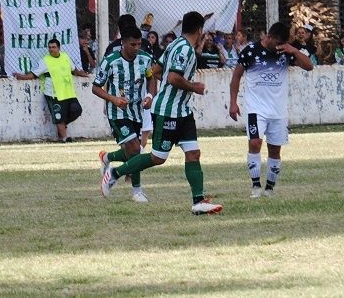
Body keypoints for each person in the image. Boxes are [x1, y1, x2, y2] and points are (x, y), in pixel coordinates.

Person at [100, 11, 224, 215]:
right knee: (158, 157)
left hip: (183, 111)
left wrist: (155, 90)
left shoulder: (175, 45)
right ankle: (115, 172)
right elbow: (174, 77)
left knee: (193, 153)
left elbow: (154, 71)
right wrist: (194, 87)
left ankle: (198, 201)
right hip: (168, 112)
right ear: (200, 30)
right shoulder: (184, 50)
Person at [229, 22, 313, 198]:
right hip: (255, 108)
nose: (279, 47)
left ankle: (269, 188)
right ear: (269, 37)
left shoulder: (286, 52)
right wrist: (233, 102)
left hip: (278, 110)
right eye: (277, 43)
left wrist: (294, 51)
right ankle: (255, 186)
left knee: (275, 149)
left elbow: (309, 66)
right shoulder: (250, 51)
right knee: (255, 143)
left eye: (283, 44)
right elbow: (236, 76)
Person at [93, 26, 157, 203]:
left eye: (139, 44)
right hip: (118, 113)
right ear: (123, 43)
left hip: (137, 111)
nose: (137, 48)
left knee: (132, 151)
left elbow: (152, 78)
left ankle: (107, 157)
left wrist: (150, 95)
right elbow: (95, 87)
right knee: (136, 149)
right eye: (133, 44)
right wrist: (113, 99)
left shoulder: (145, 59)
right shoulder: (110, 61)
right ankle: (135, 190)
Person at [13, 38, 90, 143]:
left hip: (68, 92)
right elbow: (34, 74)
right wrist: (21, 77)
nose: (51, 49)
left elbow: (74, 70)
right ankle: (64, 138)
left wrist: (82, 74)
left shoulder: (65, 57)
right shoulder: (45, 61)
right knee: (59, 117)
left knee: (77, 110)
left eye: (53, 47)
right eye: (49, 47)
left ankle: (63, 126)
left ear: (59, 48)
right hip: (53, 94)